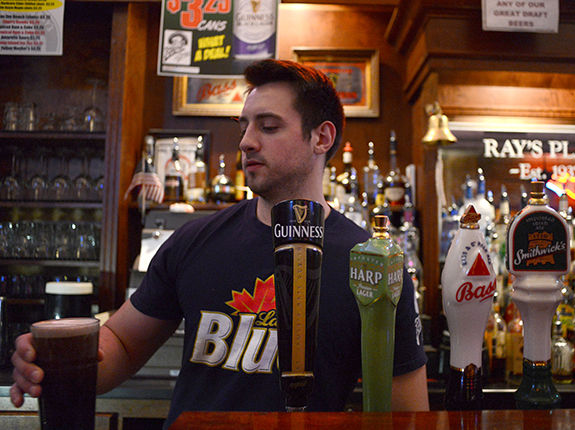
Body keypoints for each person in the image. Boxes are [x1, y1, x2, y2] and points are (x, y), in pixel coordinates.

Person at [10, 59, 429, 427]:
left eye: (268, 126)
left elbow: (407, 415)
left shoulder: (371, 265)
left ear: (321, 138)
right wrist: (56, 364)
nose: (246, 140)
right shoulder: (194, 240)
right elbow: (120, 343)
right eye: (244, 126)